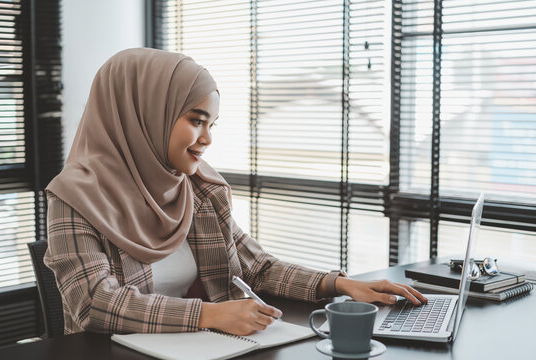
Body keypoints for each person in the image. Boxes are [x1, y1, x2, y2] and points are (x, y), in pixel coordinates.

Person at [44, 48, 427, 336]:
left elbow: (256, 267)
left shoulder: (198, 188)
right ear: (145, 114)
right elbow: (94, 304)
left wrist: (340, 284)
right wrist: (209, 315)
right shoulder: (75, 197)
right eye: (196, 121)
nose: (207, 139)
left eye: (212, 124)